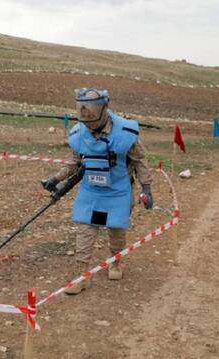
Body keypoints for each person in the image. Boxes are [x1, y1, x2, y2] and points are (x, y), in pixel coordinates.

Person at [42, 88, 153, 295]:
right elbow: (74, 163)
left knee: (116, 230)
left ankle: (116, 263)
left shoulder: (126, 133)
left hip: (119, 191)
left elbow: (140, 162)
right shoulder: (78, 134)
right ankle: (80, 276)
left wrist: (146, 188)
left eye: (92, 112)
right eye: (84, 113)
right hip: (91, 191)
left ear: (105, 107)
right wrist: (55, 179)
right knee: (85, 230)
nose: (89, 119)